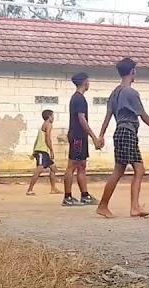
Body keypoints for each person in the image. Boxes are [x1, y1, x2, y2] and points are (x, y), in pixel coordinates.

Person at [96, 58, 149, 218]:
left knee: (135, 169)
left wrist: (101, 135)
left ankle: (132, 206)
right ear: (132, 71)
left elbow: (108, 115)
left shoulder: (115, 92)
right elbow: (142, 114)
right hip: (127, 133)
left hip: (120, 132)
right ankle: (109, 205)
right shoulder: (131, 92)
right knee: (124, 170)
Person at [62, 72, 100, 206]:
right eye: (88, 81)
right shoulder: (79, 99)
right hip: (78, 136)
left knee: (82, 165)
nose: (89, 83)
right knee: (72, 166)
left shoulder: (78, 98)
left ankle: (85, 195)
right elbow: (81, 119)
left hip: (80, 136)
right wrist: (94, 137)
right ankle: (67, 197)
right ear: (84, 82)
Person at [26, 109, 61, 195]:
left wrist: (33, 151)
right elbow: (47, 138)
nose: (53, 118)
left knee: (53, 168)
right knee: (39, 170)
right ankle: (29, 190)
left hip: (42, 151)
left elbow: (37, 139)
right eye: (52, 116)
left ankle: (53, 189)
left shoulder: (43, 125)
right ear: (49, 117)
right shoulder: (48, 125)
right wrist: (52, 150)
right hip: (42, 151)